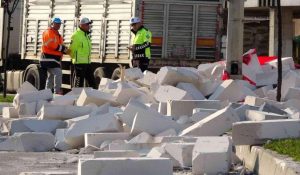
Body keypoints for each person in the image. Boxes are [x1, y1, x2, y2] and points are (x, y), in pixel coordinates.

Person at [40, 17, 67, 94]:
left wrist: (65, 50)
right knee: (58, 73)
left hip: (53, 59)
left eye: (59, 24)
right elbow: (51, 44)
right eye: (56, 23)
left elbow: (60, 46)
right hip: (48, 58)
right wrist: (63, 49)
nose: (58, 25)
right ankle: (57, 92)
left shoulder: (58, 34)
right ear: (52, 24)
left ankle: (46, 94)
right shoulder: (48, 32)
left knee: (50, 76)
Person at [69, 17, 95, 88]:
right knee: (78, 85)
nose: (89, 26)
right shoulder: (76, 35)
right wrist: (75, 59)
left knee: (93, 83)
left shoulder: (86, 35)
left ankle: (93, 98)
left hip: (87, 63)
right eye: (87, 24)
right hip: (79, 64)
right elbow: (71, 49)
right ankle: (76, 98)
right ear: (82, 25)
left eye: (89, 24)